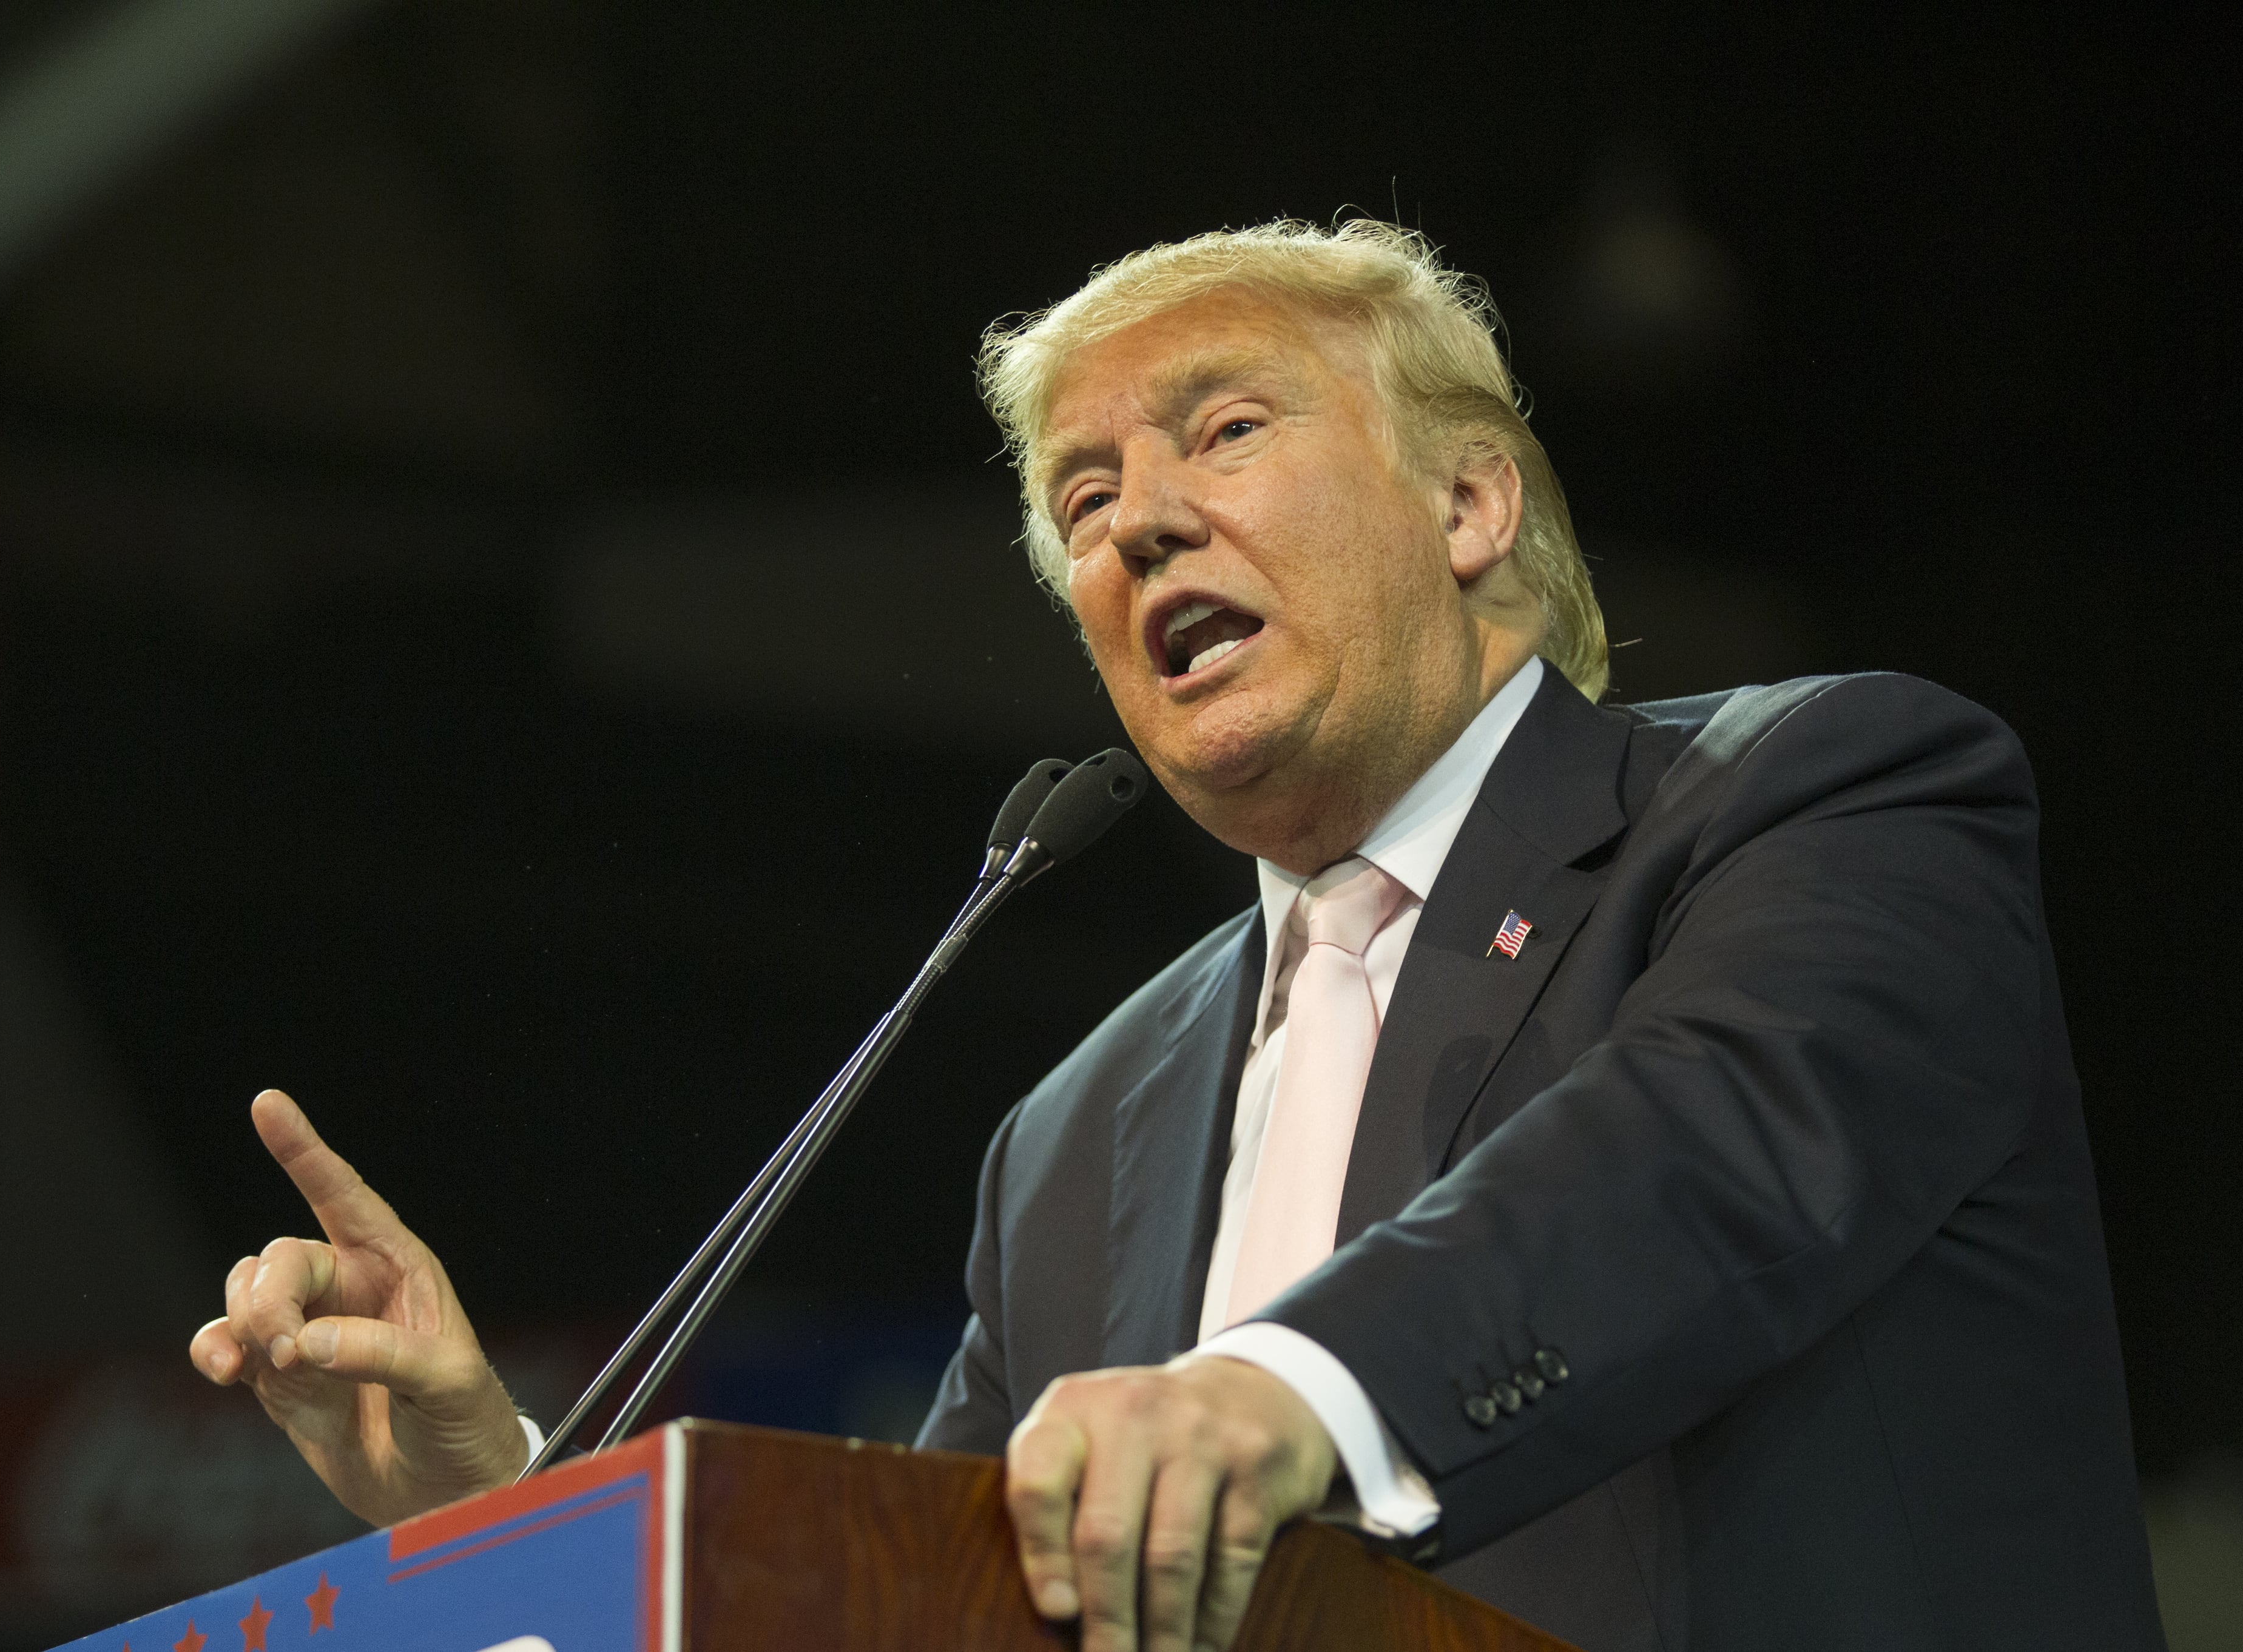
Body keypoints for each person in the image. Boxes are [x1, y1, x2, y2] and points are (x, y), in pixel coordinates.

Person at [193, 220, 2165, 1651]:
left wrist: (1289, 1391)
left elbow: (1697, 1159)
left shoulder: (1823, 798)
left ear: (1470, 498)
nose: (1135, 525)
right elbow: (924, 1612)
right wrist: (506, 1507)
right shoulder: (1081, 1126)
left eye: (1222, 433)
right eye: (1084, 496)